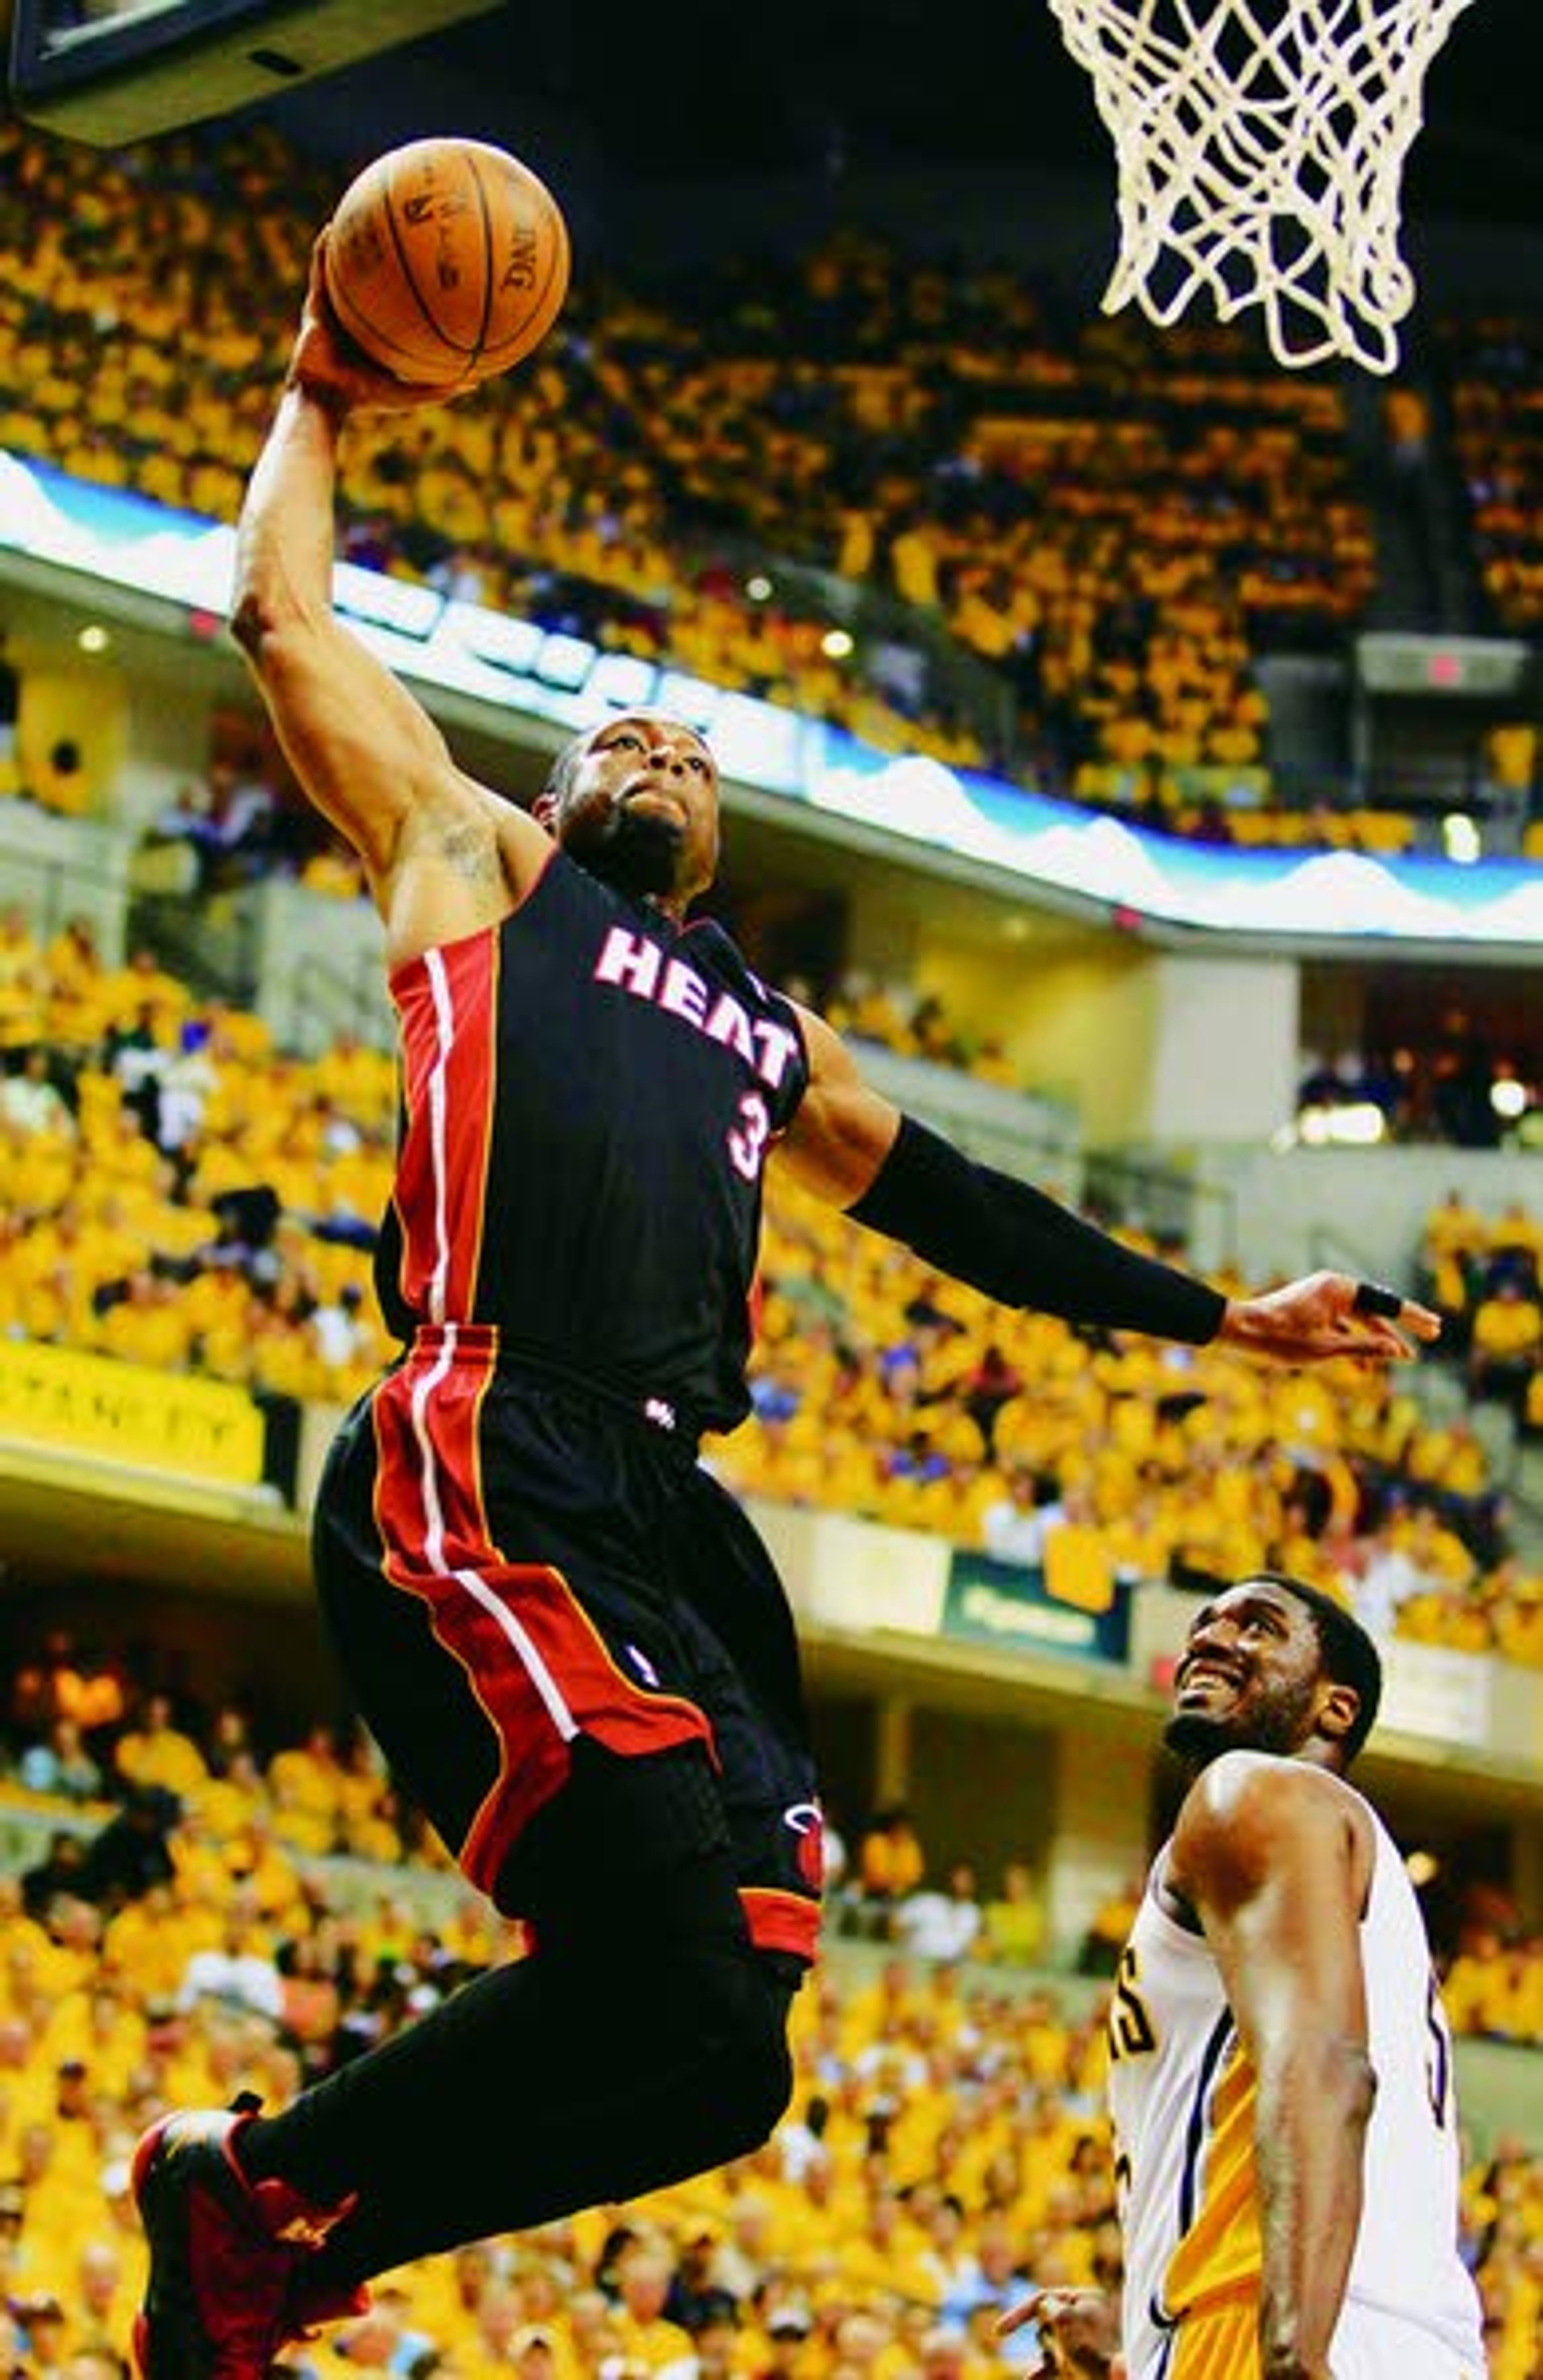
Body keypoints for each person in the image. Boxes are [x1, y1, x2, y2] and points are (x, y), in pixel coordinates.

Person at [129, 237, 1440, 2380]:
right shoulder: (477, 865)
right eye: (623, 735)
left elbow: (971, 1210)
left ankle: (280, 2221)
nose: (662, 748)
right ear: (561, 795)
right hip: (487, 1438)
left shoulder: (764, 1028)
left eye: (694, 754)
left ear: (721, 846)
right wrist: (322, 392)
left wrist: (1227, 1317)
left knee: (728, 2046)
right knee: (653, 1919)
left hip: (673, 1521)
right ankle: (249, 2196)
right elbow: (283, 613)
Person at [998, 1571, 1486, 2380]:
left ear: (1336, 1707)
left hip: (1274, 2330)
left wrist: (1293, 2354)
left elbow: (1326, 2067)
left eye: (1258, 1627)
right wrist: (1134, 2348)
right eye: (1205, 1623)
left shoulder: (1253, 1791)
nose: (1212, 1639)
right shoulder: (1338, 1864)